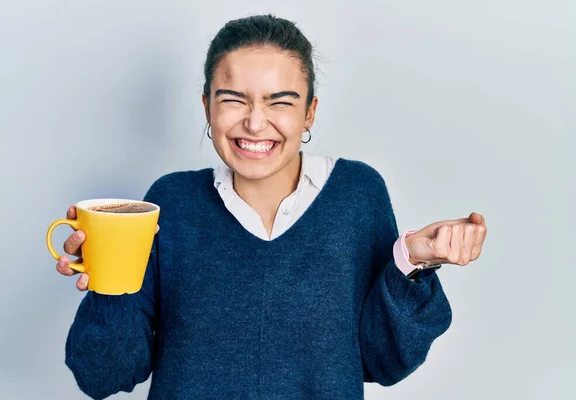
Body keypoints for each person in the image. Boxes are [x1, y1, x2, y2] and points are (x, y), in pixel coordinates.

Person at [56, 14, 487, 400]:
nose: (255, 122)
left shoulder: (357, 194)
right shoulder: (171, 202)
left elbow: (382, 363)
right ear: (206, 105)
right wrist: (108, 281)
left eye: (280, 101)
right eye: (233, 99)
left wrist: (410, 262)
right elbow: (102, 377)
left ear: (310, 112)